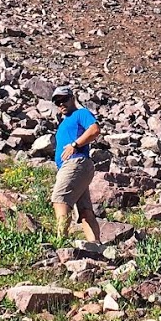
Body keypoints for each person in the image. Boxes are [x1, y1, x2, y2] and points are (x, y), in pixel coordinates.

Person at [49, 84, 100, 242]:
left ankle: (61, 241)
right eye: (57, 102)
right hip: (76, 167)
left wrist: (75, 145)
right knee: (85, 211)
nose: (61, 104)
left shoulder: (81, 114)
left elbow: (94, 130)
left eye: (64, 99)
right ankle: (96, 245)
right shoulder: (65, 122)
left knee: (60, 199)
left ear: (72, 98)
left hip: (75, 163)